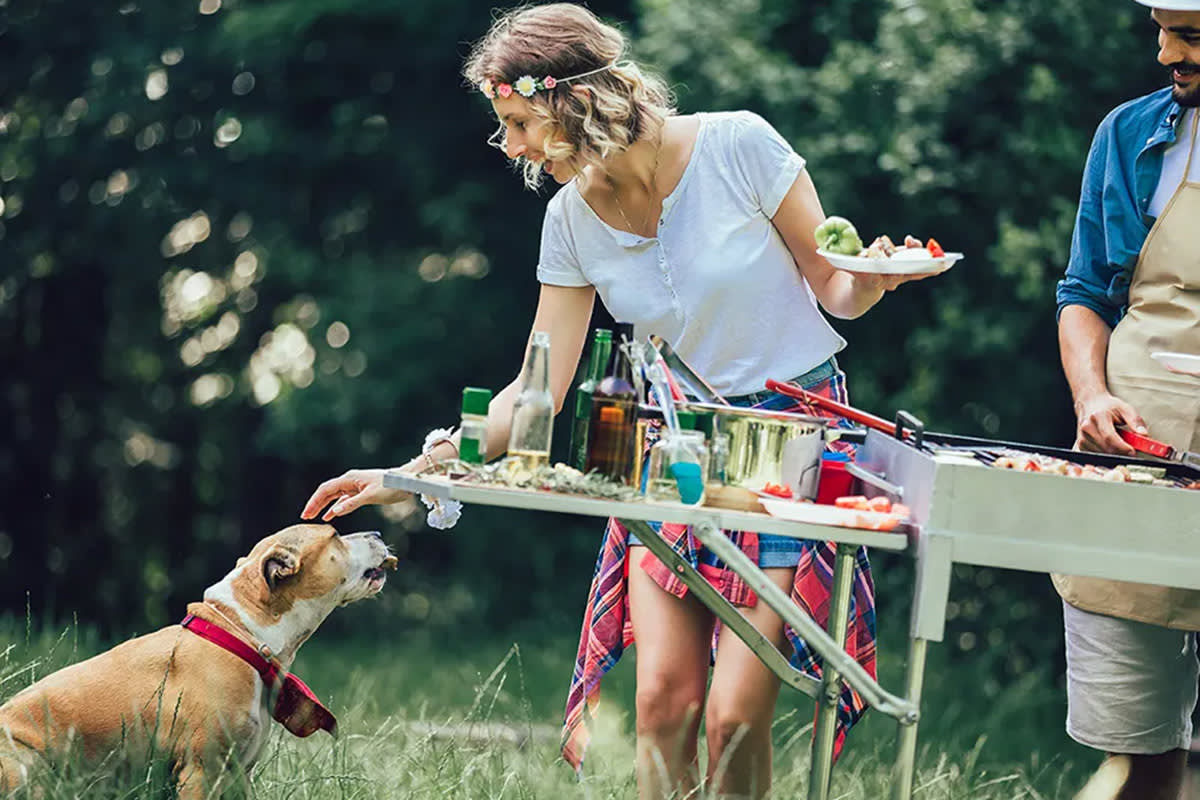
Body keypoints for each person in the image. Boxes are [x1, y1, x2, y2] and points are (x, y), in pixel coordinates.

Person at [301, 4, 938, 797]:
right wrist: (412, 472)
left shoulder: (739, 145)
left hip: (791, 453)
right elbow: (537, 388)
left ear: (574, 99)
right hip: (670, 456)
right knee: (663, 703)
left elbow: (836, 291)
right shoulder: (568, 219)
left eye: (519, 121)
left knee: (734, 717)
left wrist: (874, 279)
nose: (512, 147)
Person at [1055, 2, 1200, 798]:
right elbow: (1084, 291)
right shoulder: (1130, 135)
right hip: (1139, 453)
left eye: (1192, 36)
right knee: (1139, 739)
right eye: (1161, 29)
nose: (1166, 54)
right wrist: (1092, 393)